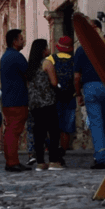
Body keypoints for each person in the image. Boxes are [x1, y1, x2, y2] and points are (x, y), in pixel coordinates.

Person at [74, 23, 105, 170]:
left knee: (96, 124)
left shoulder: (81, 50)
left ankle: (101, 158)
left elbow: (77, 76)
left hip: (90, 87)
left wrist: (78, 94)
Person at [26, 39, 64, 170]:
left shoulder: (30, 67)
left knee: (39, 133)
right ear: (42, 50)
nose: (48, 49)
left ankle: (40, 162)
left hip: (35, 104)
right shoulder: (47, 63)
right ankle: (53, 160)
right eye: (47, 47)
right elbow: (54, 82)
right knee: (53, 131)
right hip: (48, 102)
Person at [0, 29, 30, 172]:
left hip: (8, 100)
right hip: (17, 99)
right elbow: (28, 74)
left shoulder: (5, 57)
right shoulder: (17, 57)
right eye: (21, 39)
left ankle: (11, 160)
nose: (23, 41)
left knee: (10, 131)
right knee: (14, 131)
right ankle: (12, 162)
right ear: (14, 41)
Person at [48, 36, 76, 153]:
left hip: (55, 97)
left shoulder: (51, 59)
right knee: (67, 126)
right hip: (71, 96)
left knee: (55, 124)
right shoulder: (74, 60)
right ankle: (64, 148)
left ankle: (54, 147)